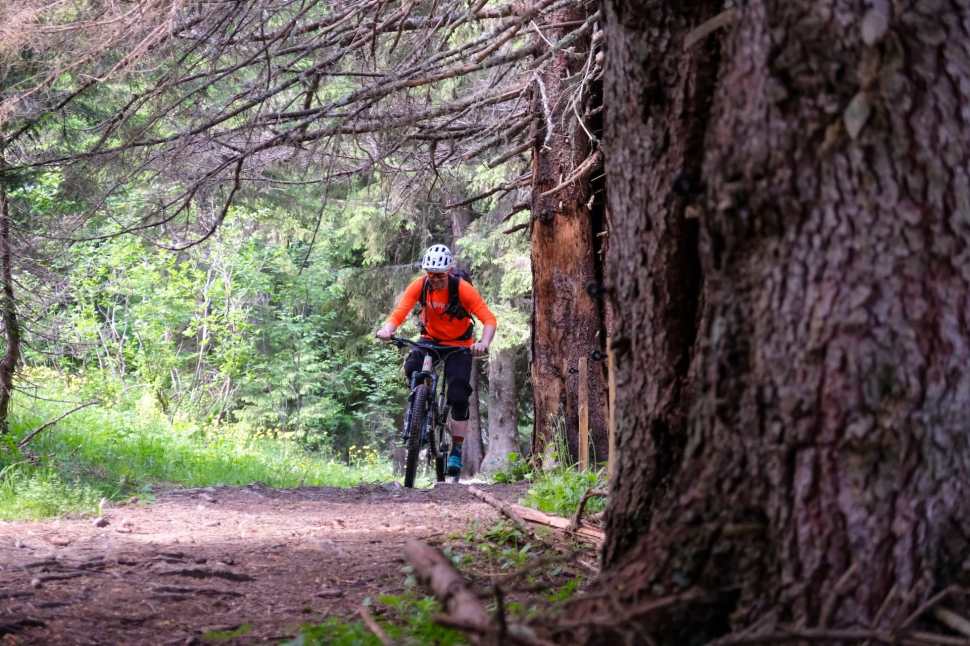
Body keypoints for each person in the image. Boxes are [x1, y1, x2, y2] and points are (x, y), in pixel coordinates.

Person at [376, 244, 497, 475]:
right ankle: (419, 410)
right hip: (429, 339)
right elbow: (400, 312)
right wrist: (387, 330)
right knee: (412, 366)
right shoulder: (420, 286)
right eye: (430, 274)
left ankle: (456, 449)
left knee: (459, 394)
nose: (435, 279)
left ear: (449, 270)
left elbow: (489, 319)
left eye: (439, 275)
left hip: (459, 345)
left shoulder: (462, 289)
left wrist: (483, 343)